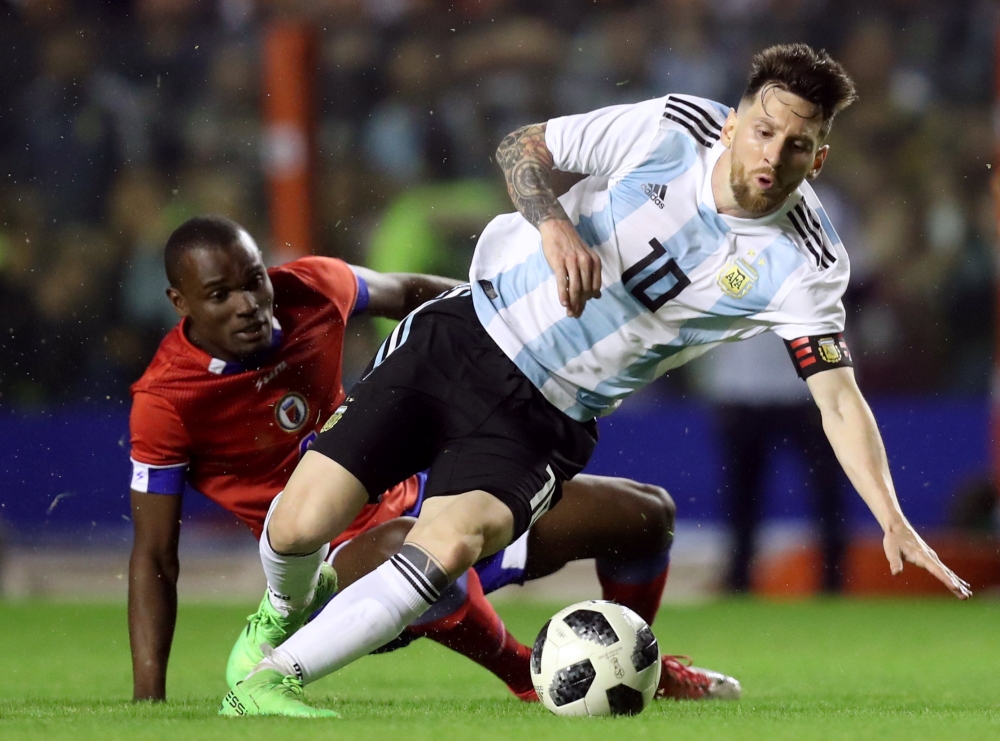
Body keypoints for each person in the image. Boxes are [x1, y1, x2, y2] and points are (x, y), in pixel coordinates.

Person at [220, 43, 970, 719]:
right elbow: (521, 148)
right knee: (297, 524)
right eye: (765, 130)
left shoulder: (807, 261)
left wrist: (892, 514)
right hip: (468, 331)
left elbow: (838, 397)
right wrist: (552, 224)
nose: (774, 153)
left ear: (819, 157)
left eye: (798, 143)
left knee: (448, 544)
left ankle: (271, 680)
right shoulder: (670, 127)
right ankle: (280, 612)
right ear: (736, 122)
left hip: (547, 412)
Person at [128, 215, 738, 704]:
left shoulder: (311, 287)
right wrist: (148, 700)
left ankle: (636, 668)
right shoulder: (165, 401)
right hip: (336, 570)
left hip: (429, 496)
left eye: (253, 279)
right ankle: (528, 677)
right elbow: (155, 555)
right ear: (179, 302)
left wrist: (504, 329)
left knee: (646, 515)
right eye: (219, 294)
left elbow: (412, 293)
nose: (248, 303)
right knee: (413, 548)